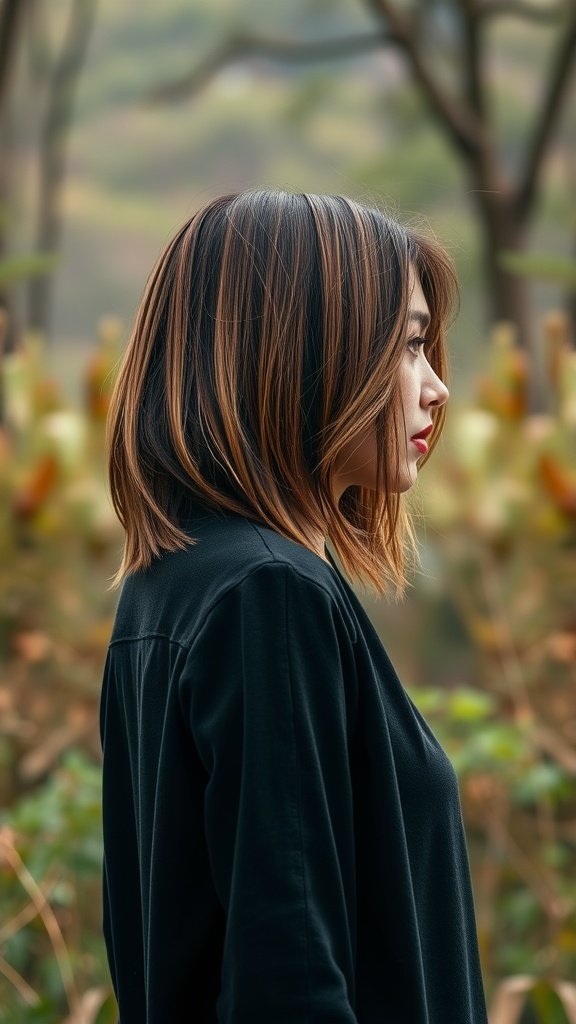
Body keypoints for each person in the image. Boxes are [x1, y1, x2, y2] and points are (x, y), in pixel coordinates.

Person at [100, 189, 489, 1023]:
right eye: (411, 347)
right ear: (310, 350)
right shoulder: (268, 594)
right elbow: (290, 978)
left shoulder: (174, 585)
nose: (438, 389)